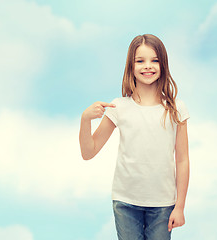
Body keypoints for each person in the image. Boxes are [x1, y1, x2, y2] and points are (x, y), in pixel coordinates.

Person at [79, 34, 190, 240]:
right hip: (125, 202)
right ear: (131, 65)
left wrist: (180, 206)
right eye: (140, 60)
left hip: (163, 204)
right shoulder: (119, 107)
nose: (148, 66)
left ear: (163, 64)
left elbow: (182, 159)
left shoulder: (175, 108)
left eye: (154, 60)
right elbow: (89, 152)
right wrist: (85, 119)